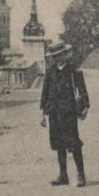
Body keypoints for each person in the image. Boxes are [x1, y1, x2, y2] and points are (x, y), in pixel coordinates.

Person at [39, 41, 90, 187]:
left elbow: (82, 89)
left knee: (73, 142)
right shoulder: (50, 72)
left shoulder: (74, 71)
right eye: (53, 57)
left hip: (69, 112)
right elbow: (45, 92)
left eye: (57, 56)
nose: (55, 59)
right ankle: (63, 175)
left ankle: (81, 174)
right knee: (58, 143)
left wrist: (85, 105)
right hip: (54, 111)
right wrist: (43, 113)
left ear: (64, 55)